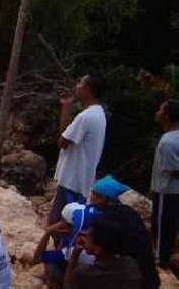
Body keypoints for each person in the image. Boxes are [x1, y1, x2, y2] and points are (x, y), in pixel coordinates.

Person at [49, 74, 107, 226]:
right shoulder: (98, 114)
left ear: (88, 89)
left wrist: (66, 109)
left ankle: (62, 249)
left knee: (57, 223)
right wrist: (66, 106)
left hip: (72, 180)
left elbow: (62, 141)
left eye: (80, 83)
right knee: (67, 223)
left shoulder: (85, 117)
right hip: (82, 179)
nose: (77, 86)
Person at [90, 175, 160, 289]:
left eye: (95, 196)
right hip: (148, 276)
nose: (92, 200)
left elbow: (100, 250)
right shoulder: (129, 212)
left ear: (104, 198)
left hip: (133, 277)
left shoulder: (106, 219)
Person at [64, 219, 141, 289]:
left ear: (98, 250)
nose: (84, 236)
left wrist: (74, 257)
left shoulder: (86, 274)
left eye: (88, 236)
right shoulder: (130, 264)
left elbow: (67, 285)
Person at [151, 98, 179, 267]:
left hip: (166, 191)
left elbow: (172, 169)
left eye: (161, 110)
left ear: (167, 116)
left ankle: (160, 260)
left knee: (161, 227)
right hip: (173, 191)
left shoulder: (168, 141)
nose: (157, 113)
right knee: (171, 226)